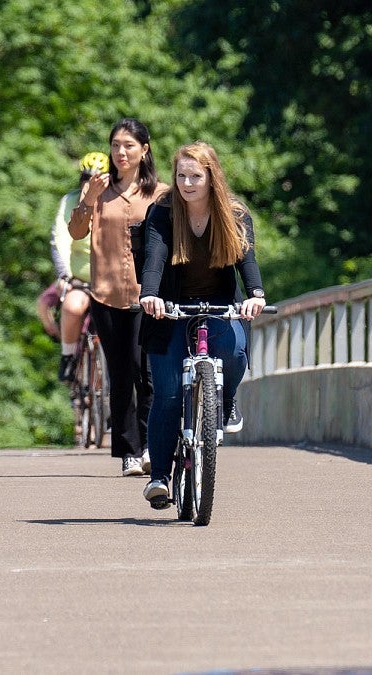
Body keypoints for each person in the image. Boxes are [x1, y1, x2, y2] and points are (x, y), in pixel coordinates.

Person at [137, 141, 267, 505]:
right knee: (167, 394)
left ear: (212, 177)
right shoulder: (162, 212)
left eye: (196, 176)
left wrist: (255, 293)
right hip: (168, 308)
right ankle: (160, 476)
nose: (188, 183)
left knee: (236, 353)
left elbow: (247, 261)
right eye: (181, 176)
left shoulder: (235, 215)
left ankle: (223, 401)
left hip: (219, 305)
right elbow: (154, 258)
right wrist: (150, 294)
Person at [68, 119, 169, 476]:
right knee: (121, 373)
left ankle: (152, 446)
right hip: (106, 294)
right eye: (115, 145)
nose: (121, 152)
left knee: (150, 374)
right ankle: (128, 451)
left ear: (145, 149)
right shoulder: (98, 190)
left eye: (128, 145)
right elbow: (77, 231)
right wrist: (89, 199)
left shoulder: (161, 193)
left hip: (150, 296)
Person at [52, 152, 108, 382]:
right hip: (81, 279)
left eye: (96, 178)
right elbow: (61, 239)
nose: (90, 183)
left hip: (110, 283)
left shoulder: (115, 202)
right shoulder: (70, 201)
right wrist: (65, 274)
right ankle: (68, 356)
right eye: (86, 177)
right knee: (73, 307)